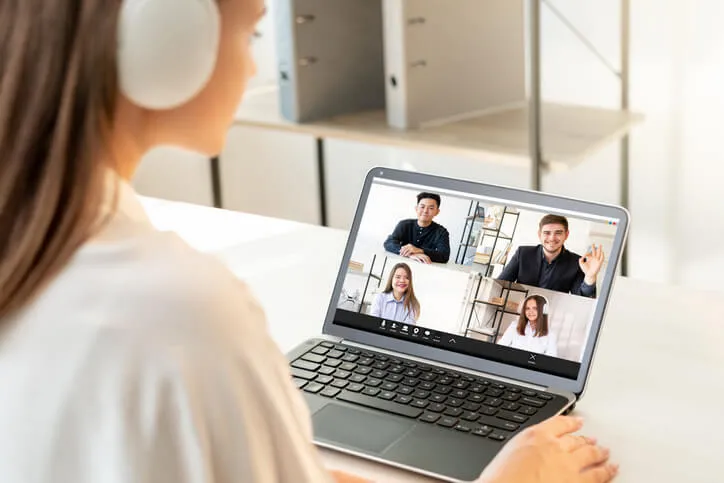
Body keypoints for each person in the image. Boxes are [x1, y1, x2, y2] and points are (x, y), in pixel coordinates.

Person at [0, 1, 618, 482]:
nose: (252, 66)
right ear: (164, 40)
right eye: (251, 36)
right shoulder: (181, 307)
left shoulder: (35, 240)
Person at [498, 214, 605, 298]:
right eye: (547, 233)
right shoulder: (523, 253)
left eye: (558, 233)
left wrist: (590, 276)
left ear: (566, 235)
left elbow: (582, 300)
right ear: (539, 235)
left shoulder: (577, 262)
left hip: (552, 317)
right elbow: (499, 285)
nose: (552, 238)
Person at [383, 192, 451, 264]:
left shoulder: (441, 232)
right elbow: (389, 243)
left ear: (437, 212)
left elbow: (444, 256)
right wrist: (410, 254)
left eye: (431, 208)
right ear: (416, 208)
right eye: (422, 207)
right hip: (401, 264)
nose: (425, 211)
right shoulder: (404, 224)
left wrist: (420, 250)